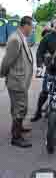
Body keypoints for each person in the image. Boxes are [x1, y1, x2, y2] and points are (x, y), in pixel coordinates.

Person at [0, 16, 33, 148]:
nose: (33, 29)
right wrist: (2, 73)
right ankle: (16, 137)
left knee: (20, 107)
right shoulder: (15, 39)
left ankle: (19, 128)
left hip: (21, 80)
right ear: (26, 25)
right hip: (16, 81)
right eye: (32, 27)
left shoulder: (21, 36)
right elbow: (7, 61)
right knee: (19, 108)